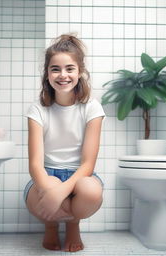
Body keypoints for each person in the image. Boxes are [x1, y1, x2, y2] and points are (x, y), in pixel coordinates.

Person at [24, 33, 105, 252]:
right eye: (55, 69)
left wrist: (60, 193)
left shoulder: (92, 107)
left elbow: (88, 164)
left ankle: (72, 224)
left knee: (91, 191)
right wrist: (50, 188)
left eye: (69, 68)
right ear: (47, 73)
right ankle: (51, 226)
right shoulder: (37, 110)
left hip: (80, 176)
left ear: (80, 72)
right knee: (49, 185)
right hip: (46, 174)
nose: (63, 75)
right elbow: (35, 165)